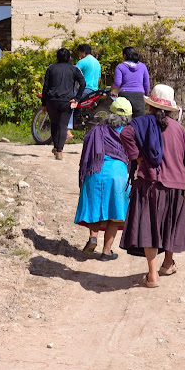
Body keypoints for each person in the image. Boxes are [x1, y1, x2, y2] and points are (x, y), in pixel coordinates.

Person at [118, 84, 185, 288]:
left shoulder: (143, 124)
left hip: (149, 183)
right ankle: (167, 263)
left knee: (150, 227)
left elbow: (124, 135)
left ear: (151, 106)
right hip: (175, 186)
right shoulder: (179, 130)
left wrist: (137, 157)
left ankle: (153, 274)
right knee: (170, 224)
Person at [74, 97, 133, 261]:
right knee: (115, 212)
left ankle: (93, 237)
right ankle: (106, 252)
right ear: (128, 117)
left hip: (96, 171)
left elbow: (86, 153)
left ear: (109, 113)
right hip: (117, 174)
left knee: (95, 205)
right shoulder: (128, 133)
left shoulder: (96, 130)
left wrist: (83, 176)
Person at [41, 47, 85, 160]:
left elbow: (45, 87)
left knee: (54, 124)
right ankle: (59, 150)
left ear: (57, 57)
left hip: (52, 101)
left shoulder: (51, 68)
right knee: (62, 125)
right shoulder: (74, 69)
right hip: (67, 101)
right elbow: (83, 83)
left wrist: (44, 103)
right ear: (69, 58)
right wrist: (77, 98)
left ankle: (56, 147)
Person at [66, 44, 102, 140]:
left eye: (79, 53)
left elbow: (72, 74)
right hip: (95, 91)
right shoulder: (97, 63)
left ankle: (67, 130)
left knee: (70, 103)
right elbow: (99, 79)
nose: (79, 55)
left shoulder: (82, 62)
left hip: (84, 90)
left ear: (83, 52)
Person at [111, 46, 150, 118]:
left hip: (125, 96)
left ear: (125, 56)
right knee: (139, 122)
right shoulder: (142, 66)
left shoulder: (120, 67)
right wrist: (145, 95)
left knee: (123, 120)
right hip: (139, 96)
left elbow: (117, 83)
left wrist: (112, 87)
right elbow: (146, 84)